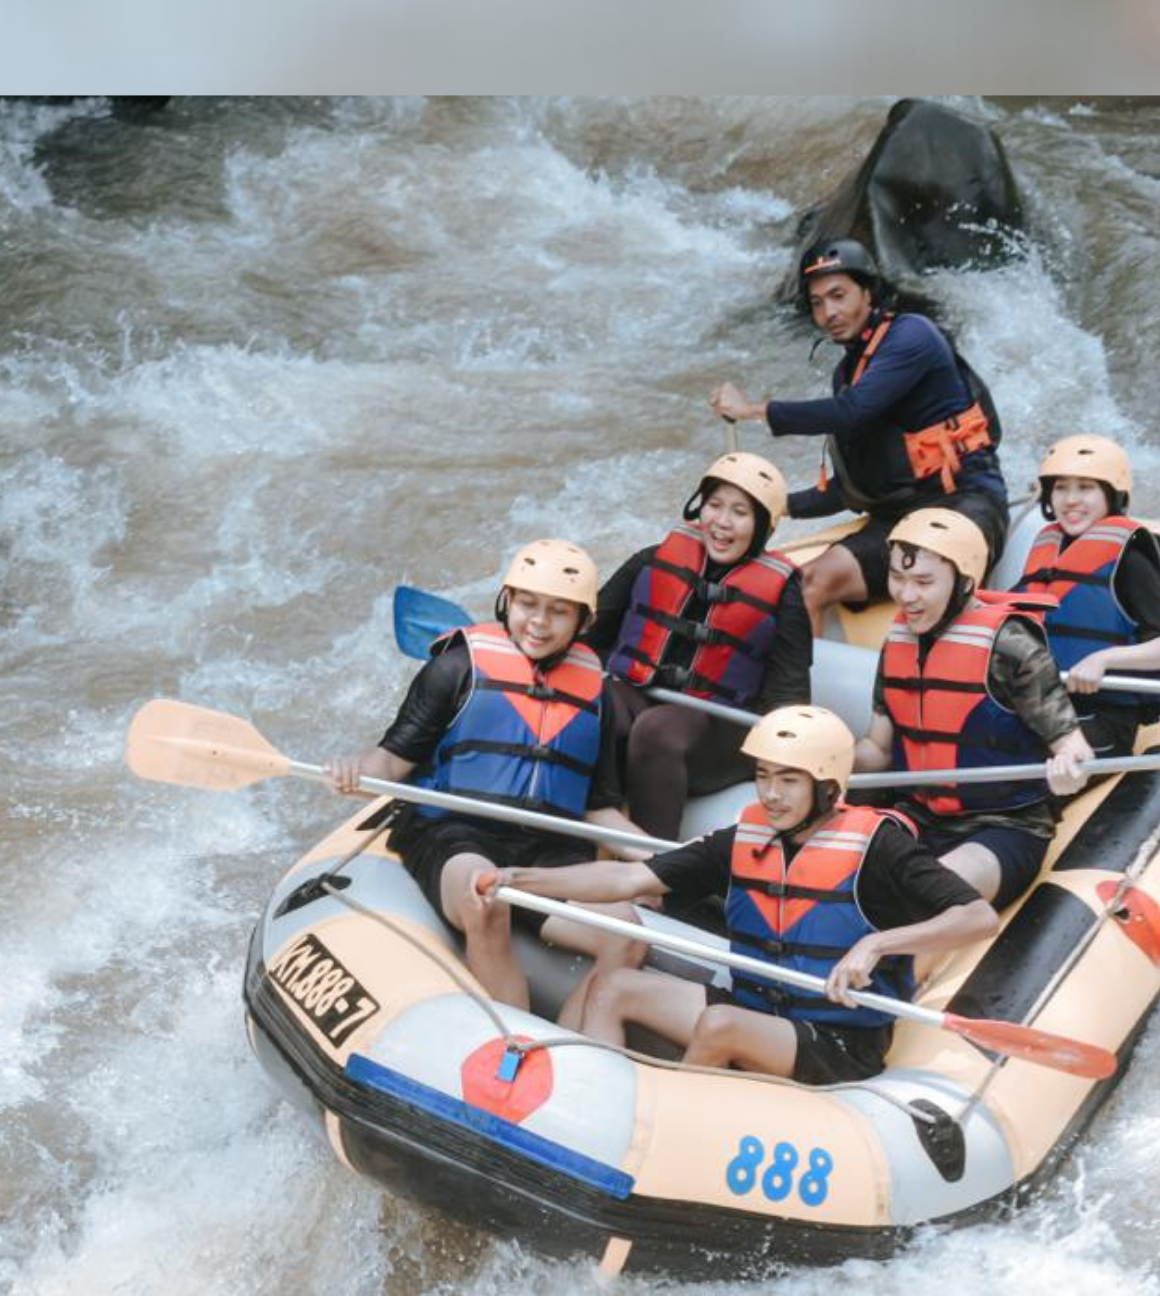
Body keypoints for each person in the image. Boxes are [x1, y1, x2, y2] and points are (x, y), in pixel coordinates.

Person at [477, 704, 997, 1086]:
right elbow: (628, 881)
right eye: (763, 777)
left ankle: (666, 1130)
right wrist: (519, 881)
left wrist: (877, 945)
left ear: (828, 788)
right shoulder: (745, 838)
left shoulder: (880, 848)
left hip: (835, 1038)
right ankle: (596, 1103)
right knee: (612, 986)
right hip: (756, 1006)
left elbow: (977, 917)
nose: (770, 794)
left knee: (720, 1024)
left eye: (789, 781)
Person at [328, 539, 632, 1009]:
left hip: (548, 851)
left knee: (625, 933)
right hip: (456, 834)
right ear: (507, 600)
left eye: (558, 611)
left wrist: (663, 860)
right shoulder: (455, 668)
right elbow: (391, 762)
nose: (539, 621)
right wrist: (356, 772)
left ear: (583, 622)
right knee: (486, 895)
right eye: (527, 604)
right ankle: (511, 1033)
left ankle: (575, 1036)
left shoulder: (597, 693)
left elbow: (598, 807)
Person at [709, 237, 1009, 631]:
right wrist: (776, 504)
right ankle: (800, 674)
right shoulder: (848, 374)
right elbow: (855, 487)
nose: (829, 312)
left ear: (867, 292)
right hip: (897, 517)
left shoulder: (913, 336)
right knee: (807, 584)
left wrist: (752, 410)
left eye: (838, 295)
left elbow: (850, 412)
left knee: (922, 574)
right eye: (817, 303)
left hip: (964, 503)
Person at [850, 508, 1095, 909]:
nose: (906, 595)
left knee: (927, 895)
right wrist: (826, 756)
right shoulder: (898, 640)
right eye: (897, 578)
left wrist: (1070, 771)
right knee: (839, 880)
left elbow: (1074, 746)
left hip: (1003, 827)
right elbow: (878, 750)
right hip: (916, 816)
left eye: (923, 582)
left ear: (965, 581)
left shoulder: (1011, 645)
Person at [585, 450, 813, 840]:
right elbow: (588, 635)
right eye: (715, 505)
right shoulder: (652, 560)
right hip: (649, 699)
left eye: (740, 512)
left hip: (725, 731)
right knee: (602, 702)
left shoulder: (784, 595)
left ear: (763, 526)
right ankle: (582, 828)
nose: (722, 522)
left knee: (657, 729)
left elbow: (788, 697)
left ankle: (654, 864)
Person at [1018, 436, 1160, 763]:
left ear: (1112, 495)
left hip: (1102, 718)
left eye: (1085, 488)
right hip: (1045, 707)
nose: (1071, 500)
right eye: (1061, 488)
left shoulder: (1131, 560)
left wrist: (1103, 659)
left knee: (1015, 763)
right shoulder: (1047, 550)